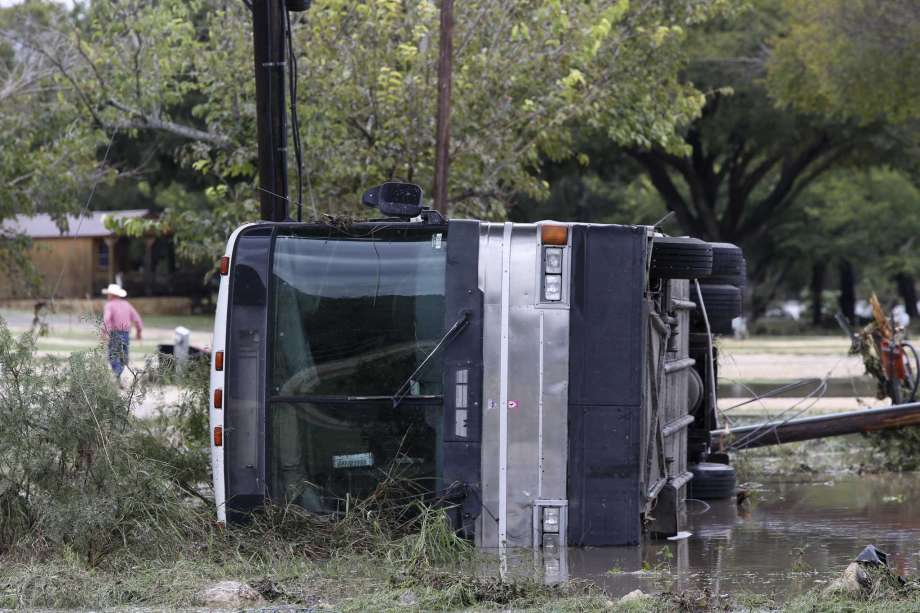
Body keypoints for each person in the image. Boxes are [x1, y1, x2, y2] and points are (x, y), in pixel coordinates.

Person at [102, 283, 143, 380]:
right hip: (125, 334)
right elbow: (137, 319)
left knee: (113, 355)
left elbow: (106, 319)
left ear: (112, 295)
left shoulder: (109, 305)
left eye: (108, 294)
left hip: (115, 334)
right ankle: (118, 375)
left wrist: (103, 332)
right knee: (123, 357)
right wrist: (138, 332)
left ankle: (117, 374)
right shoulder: (127, 305)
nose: (107, 296)